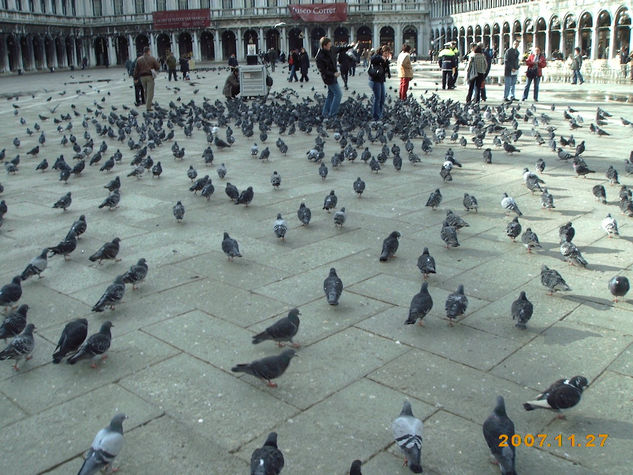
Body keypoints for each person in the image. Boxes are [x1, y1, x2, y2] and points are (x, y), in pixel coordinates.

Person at [316, 36, 354, 118]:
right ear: (324, 46)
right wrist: (333, 74)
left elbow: (340, 48)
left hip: (334, 75)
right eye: (329, 45)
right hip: (328, 77)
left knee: (331, 94)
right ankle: (332, 114)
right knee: (338, 94)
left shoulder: (332, 49)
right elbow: (323, 70)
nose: (331, 46)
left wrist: (350, 46)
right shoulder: (319, 56)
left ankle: (325, 113)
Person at [133, 46, 159, 111]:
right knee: (150, 92)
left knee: (146, 91)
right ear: (148, 51)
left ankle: (147, 103)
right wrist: (154, 69)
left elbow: (136, 70)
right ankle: (148, 107)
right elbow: (157, 66)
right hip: (149, 76)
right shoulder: (152, 58)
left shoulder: (139, 59)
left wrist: (135, 78)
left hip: (142, 78)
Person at [368, 45, 391, 121]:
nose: (386, 54)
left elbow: (387, 68)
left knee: (382, 98)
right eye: (385, 53)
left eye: (388, 53)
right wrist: (381, 58)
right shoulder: (377, 56)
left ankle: (380, 114)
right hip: (374, 80)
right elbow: (372, 59)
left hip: (381, 80)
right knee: (377, 98)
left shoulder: (385, 59)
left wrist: (388, 73)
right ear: (382, 52)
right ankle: (376, 116)